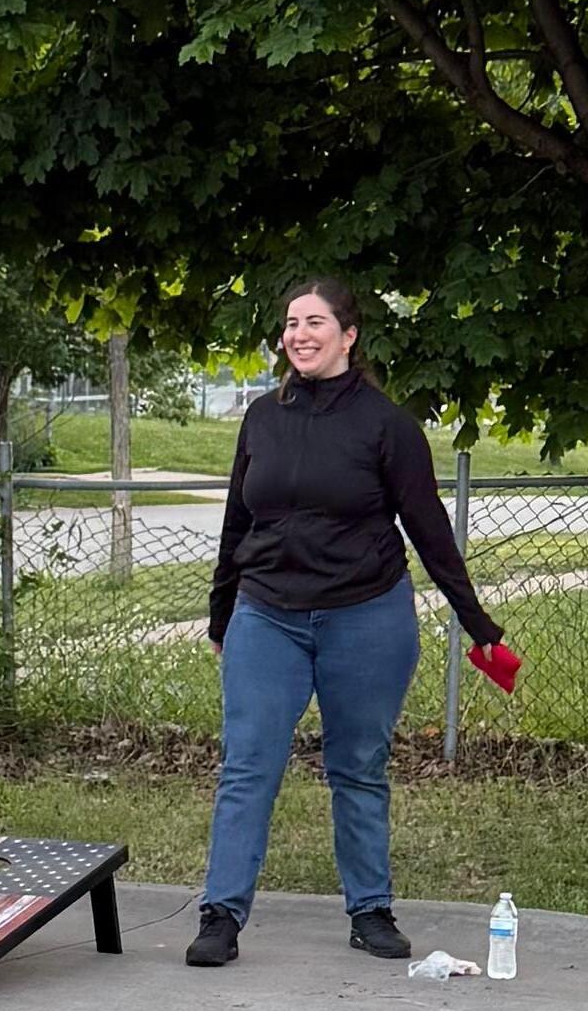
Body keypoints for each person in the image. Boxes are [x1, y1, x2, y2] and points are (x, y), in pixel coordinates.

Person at [189, 279, 509, 968]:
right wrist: (222, 613)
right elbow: (237, 523)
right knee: (248, 765)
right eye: (291, 323)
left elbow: (429, 531)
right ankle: (221, 914)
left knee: (358, 766)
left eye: (314, 322)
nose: (299, 334)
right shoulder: (262, 419)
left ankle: (371, 910)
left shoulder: (386, 426)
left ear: (349, 334)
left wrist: (477, 623)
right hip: (267, 614)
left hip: (365, 616)